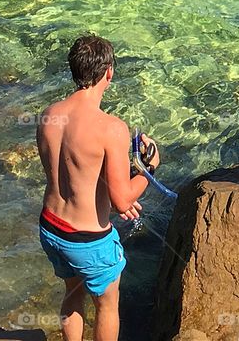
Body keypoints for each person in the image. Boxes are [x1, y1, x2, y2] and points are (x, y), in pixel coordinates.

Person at [36, 35, 161, 341]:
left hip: (51, 228)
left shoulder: (49, 115)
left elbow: (73, 172)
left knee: (72, 293)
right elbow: (121, 201)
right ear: (109, 72)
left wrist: (120, 176)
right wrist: (149, 168)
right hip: (88, 240)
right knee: (106, 306)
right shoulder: (111, 128)